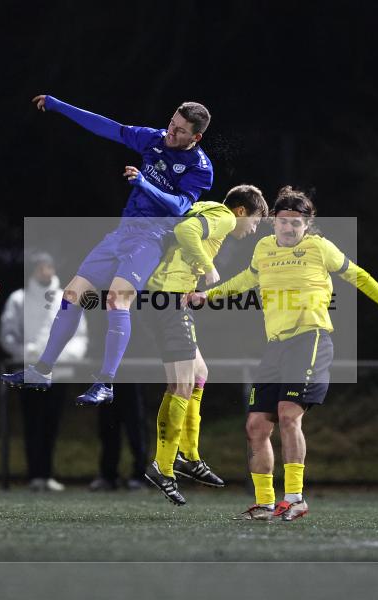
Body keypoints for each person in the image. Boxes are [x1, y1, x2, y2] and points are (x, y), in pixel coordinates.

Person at [190, 187, 378, 521]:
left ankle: (295, 498)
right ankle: (266, 503)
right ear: (273, 223)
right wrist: (206, 296)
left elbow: (359, 275)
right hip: (277, 346)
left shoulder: (318, 248)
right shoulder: (264, 248)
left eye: (297, 223)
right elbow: (245, 280)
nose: (289, 228)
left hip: (310, 339)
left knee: (287, 414)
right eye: (284, 222)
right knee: (255, 425)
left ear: (307, 225)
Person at [1, 95, 213, 406]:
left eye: (181, 131)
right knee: (72, 295)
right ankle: (42, 370)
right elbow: (108, 128)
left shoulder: (200, 167)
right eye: (171, 124)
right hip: (122, 233)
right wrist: (59, 105)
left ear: (196, 137)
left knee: (116, 301)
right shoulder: (154, 139)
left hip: (153, 238)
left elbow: (180, 207)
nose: (171, 132)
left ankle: (106, 384)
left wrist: (144, 183)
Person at [142, 185, 268, 505]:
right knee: (181, 385)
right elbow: (186, 231)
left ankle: (188, 456)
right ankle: (164, 466)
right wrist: (207, 265)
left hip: (167, 298)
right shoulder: (225, 218)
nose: (253, 230)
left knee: (199, 373)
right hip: (167, 299)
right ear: (240, 212)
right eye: (254, 223)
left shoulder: (209, 207)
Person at [0, 251, 88, 492]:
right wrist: (27, 353)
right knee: (31, 423)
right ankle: (34, 475)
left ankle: (47, 473)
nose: (44, 271)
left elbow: (79, 336)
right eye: (40, 267)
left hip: (58, 374)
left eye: (48, 266)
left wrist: (60, 357)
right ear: (34, 270)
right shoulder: (18, 299)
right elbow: (7, 334)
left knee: (51, 424)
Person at [89, 383, 149, 492]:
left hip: (132, 378)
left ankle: (140, 476)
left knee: (136, 429)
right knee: (108, 427)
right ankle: (108, 475)